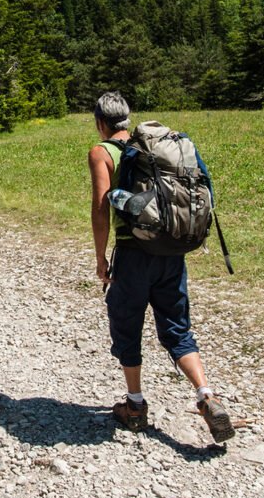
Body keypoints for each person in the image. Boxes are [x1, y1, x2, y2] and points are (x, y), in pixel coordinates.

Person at [87, 91, 235, 443]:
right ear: (127, 116)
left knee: (127, 324)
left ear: (100, 122)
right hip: (171, 253)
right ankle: (205, 396)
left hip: (133, 255)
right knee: (176, 328)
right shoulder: (157, 147)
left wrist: (100, 258)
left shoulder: (102, 152)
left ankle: (135, 406)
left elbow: (100, 209)